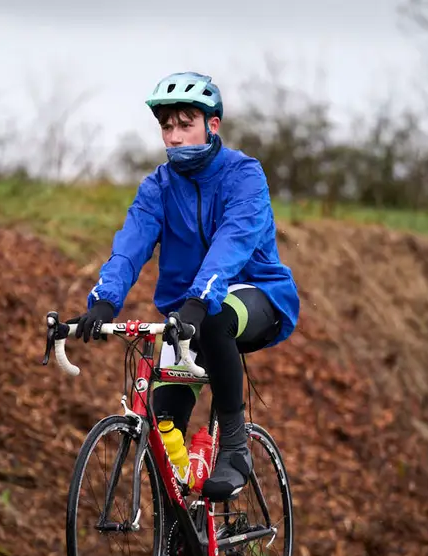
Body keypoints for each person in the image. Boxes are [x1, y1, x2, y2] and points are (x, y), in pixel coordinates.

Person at [72, 70, 300, 503]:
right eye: (166, 127)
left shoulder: (244, 175)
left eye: (184, 124)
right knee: (162, 430)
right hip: (186, 315)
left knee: (215, 319)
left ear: (212, 125)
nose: (174, 137)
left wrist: (200, 298)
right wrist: (104, 301)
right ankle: (175, 552)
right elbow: (130, 246)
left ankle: (234, 447)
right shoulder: (157, 187)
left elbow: (232, 244)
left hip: (256, 295)